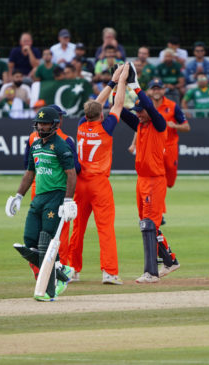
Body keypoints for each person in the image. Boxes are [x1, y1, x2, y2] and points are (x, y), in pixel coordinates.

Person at [5, 106, 78, 301]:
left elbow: (72, 174)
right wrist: (18, 196)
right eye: (40, 123)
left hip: (55, 196)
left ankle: (50, 289)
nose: (42, 126)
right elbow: (30, 173)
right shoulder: (36, 145)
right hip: (39, 197)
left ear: (54, 125)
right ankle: (62, 270)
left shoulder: (62, 146)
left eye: (46, 123)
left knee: (46, 241)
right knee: (30, 240)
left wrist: (68, 200)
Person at [66, 65, 128, 285]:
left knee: (78, 228)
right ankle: (109, 272)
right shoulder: (106, 126)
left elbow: (95, 106)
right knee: (105, 227)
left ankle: (72, 270)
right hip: (99, 183)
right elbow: (118, 104)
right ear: (101, 114)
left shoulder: (81, 124)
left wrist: (111, 81)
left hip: (79, 183)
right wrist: (122, 81)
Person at [120, 66, 180, 283]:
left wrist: (134, 85)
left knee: (149, 224)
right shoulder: (140, 124)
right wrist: (117, 84)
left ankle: (151, 273)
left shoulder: (159, 124)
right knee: (146, 224)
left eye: (141, 111)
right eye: (137, 112)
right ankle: (170, 261)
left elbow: (147, 106)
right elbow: (120, 111)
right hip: (142, 180)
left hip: (155, 180)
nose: (139, 114)